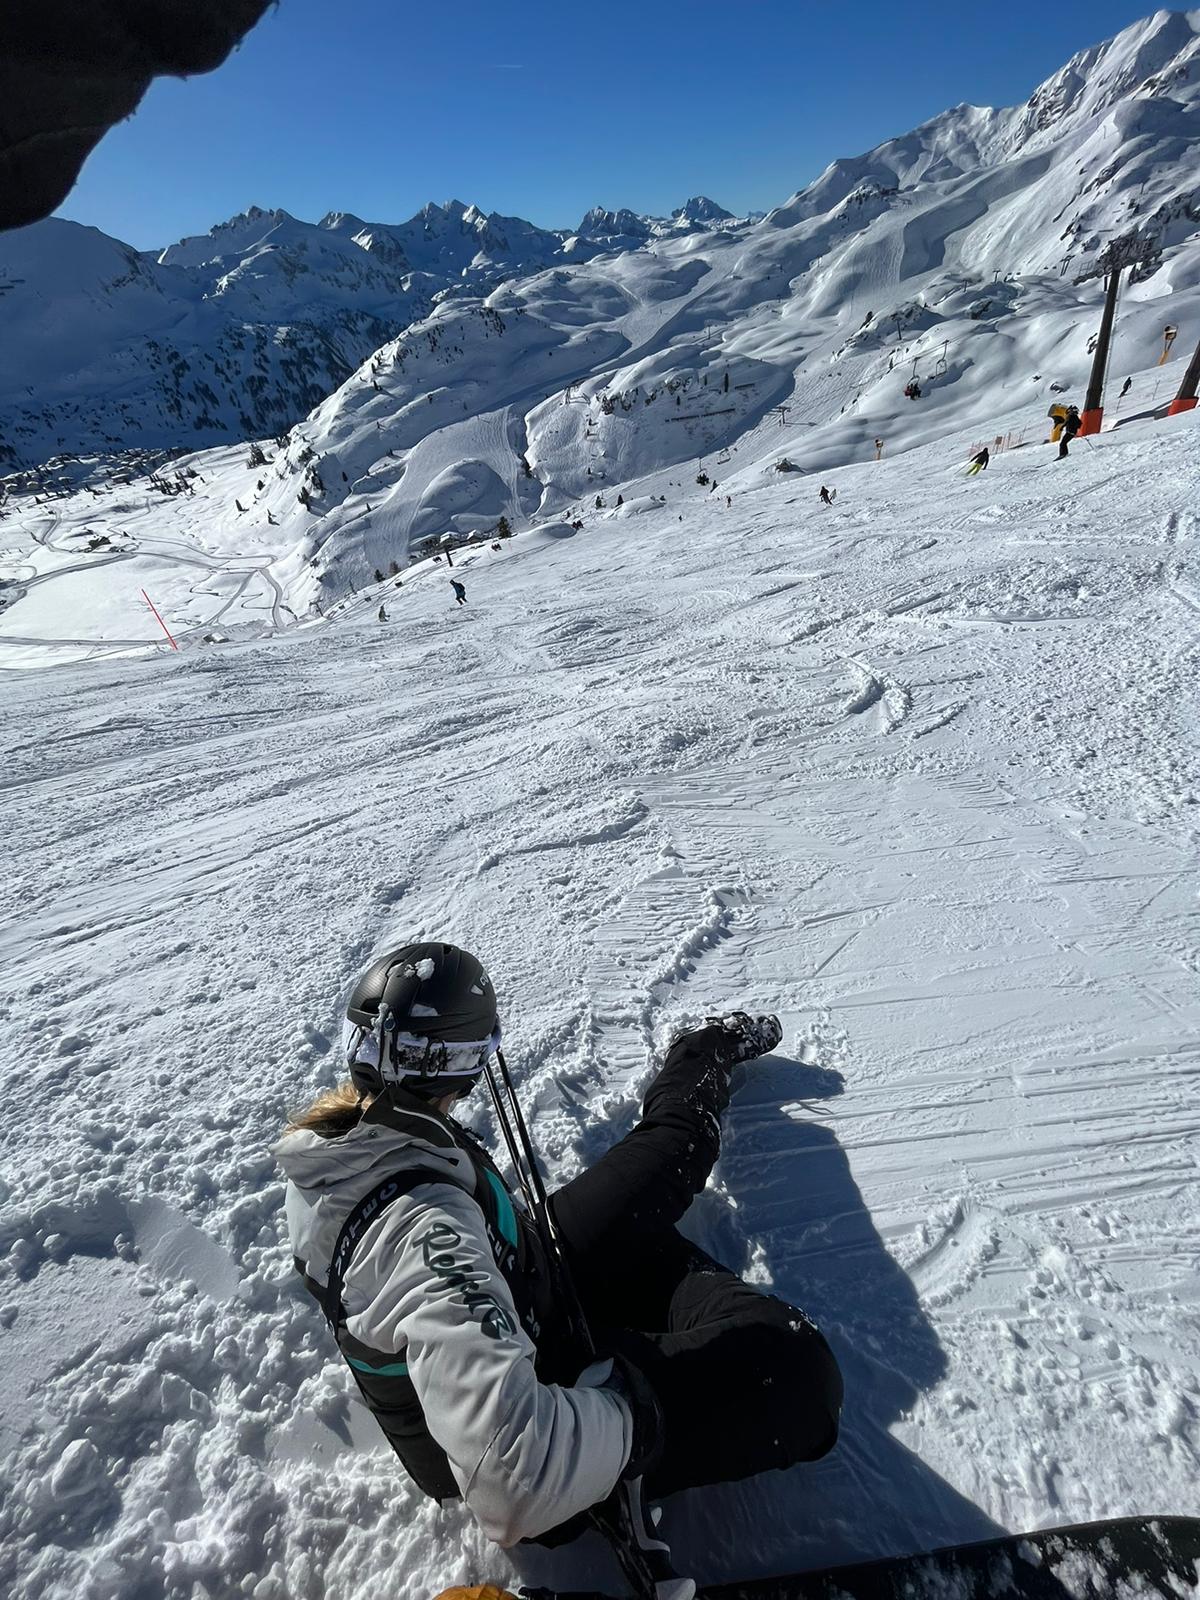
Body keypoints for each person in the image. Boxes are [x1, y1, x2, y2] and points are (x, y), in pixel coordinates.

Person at [275, 943, 843, 1555]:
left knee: (664, 1159)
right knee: (798, 1369)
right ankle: (671, 1306)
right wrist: (632, 1414)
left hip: (530, 1278)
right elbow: (514, 1471)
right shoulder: (424, 1231)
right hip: (553, 1398)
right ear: (460, 1065)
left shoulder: (357, 1137)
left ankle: (701, 1051)